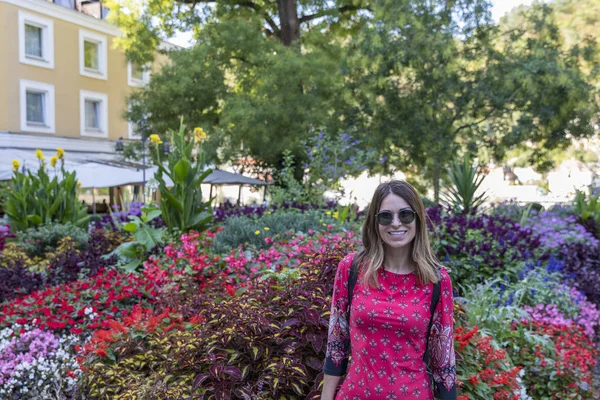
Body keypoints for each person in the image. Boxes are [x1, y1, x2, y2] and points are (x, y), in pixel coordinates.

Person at [322, 180, 456, 400]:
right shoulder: (351, 269)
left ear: (418, 219)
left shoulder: (437, 280)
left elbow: (444, 363)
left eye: (405, 215)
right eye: (386, 216)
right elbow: (336, 343)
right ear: (374, 222)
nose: (396, 223)